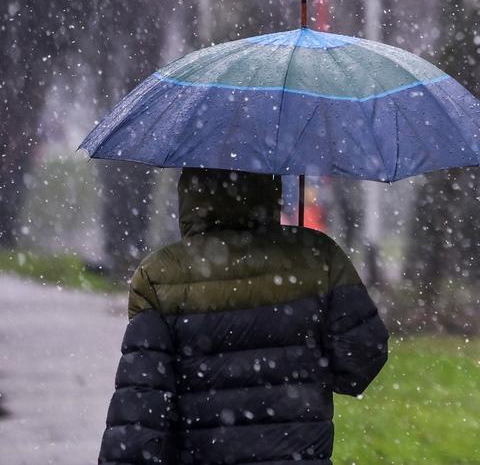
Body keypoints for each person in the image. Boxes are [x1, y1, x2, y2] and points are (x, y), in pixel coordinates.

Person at [98, 168, 389, 465]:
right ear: (271, 183)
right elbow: (360, 360)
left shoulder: (160, 275)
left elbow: (140, 402)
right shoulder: (319, 258)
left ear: (190, 191)